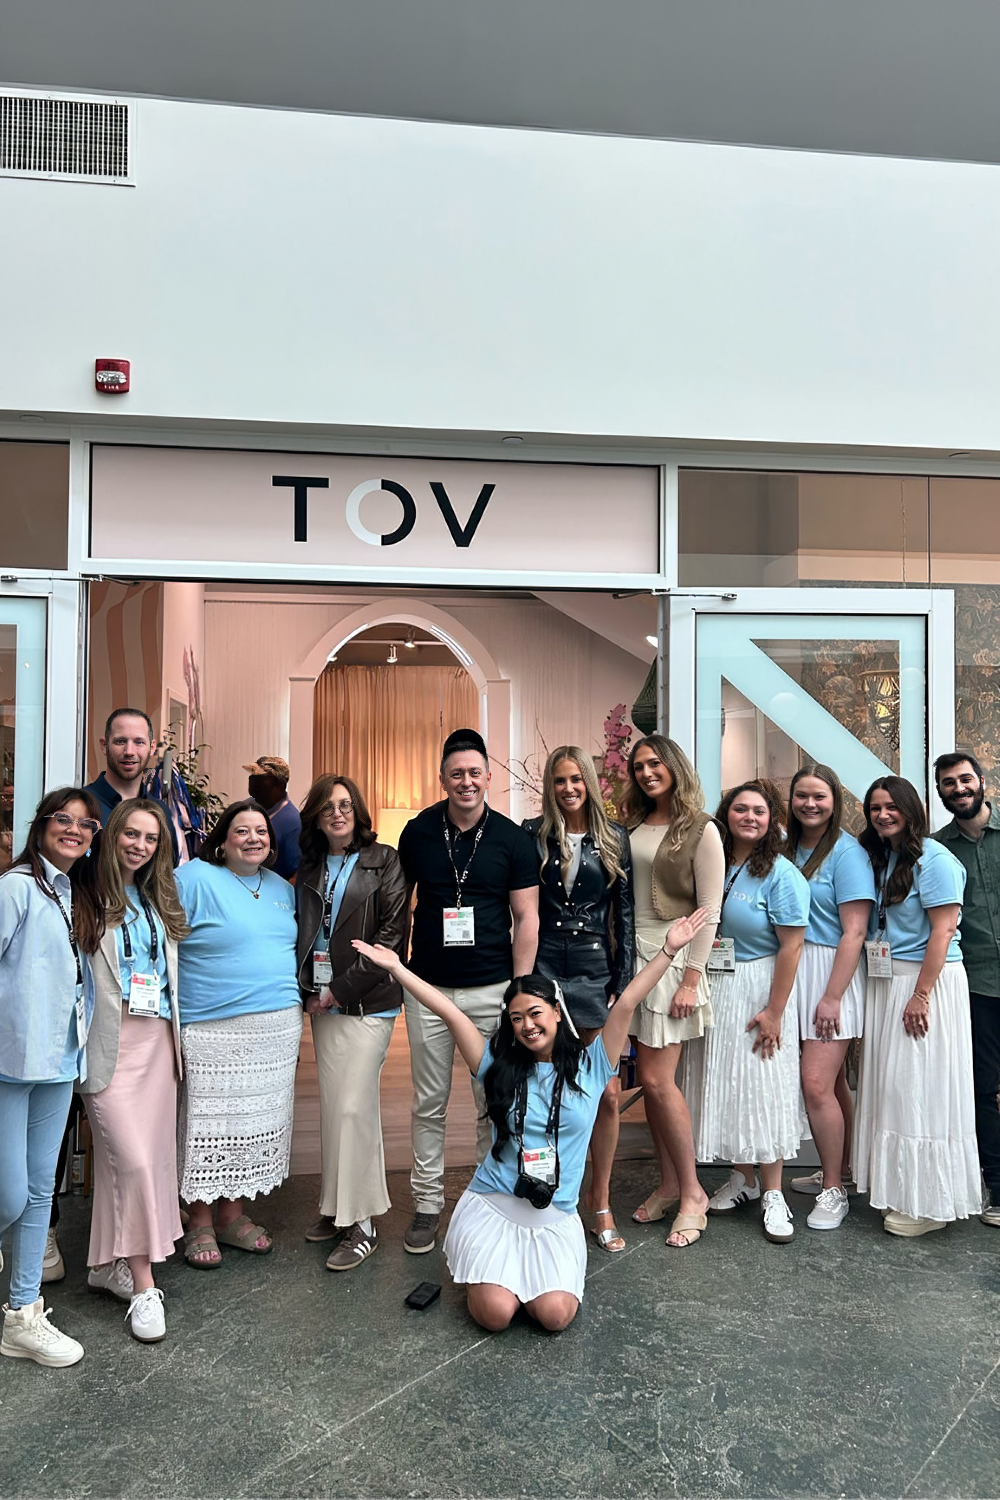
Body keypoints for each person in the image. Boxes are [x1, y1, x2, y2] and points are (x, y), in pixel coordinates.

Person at [354, 908, 708, 1331]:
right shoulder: (494, 1064)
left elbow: (628, 1000)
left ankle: (522, 1281)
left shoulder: (592, 1066)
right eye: (517, 1018)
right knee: (496, 1315)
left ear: (557, 1012)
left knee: (556, 1316)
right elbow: (450, 1012)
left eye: (535, 1013)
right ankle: (494, 1276)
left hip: (554, 1213)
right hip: (494, 1206)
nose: (527, 1025)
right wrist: (398, 969)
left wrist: (669, 950)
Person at [397, 728, 539, 1254]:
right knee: (428, 1103)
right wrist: (400, 971)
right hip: (429, 989)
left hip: (492, 989)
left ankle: (489, 1196)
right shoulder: (418, 832)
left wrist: (519, 992)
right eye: (456, 773)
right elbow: (399, 904)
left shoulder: (512, 839)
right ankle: (427, 1204)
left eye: (474, 772)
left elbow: (527, 917)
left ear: (488, 777)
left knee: (492, 1100)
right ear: (443, 779)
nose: (466, 781)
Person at [173, 799, 303, 1266]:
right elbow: (162, 939)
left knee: (251, 1129)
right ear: (222, 841)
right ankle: (200, 1221)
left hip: (276, 1027)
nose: (254, 839)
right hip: (211, 1025)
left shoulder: (281, 889)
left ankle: (231, 1216)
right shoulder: (193, 878)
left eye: (261, 831)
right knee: (206, 1127)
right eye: (242, 831)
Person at [0, 787, 103, 1368]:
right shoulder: (16, 889)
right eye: (62, 819)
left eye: (85, 824)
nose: (73, 829)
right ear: (40, 826)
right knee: (10, 1193)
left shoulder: (72, 894)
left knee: (42, 1189)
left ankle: (22, 1313)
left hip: (60, 1060)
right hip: (10, 1062)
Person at [79, 799, 188, 1341]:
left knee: (144, 1162)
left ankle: (106, 1265)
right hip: (107, 1041)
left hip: (156, 1040)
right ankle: (145, 1286)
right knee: (133, 1161)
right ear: (113, 835)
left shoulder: (158, 897)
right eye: (131, 835)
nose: (140, 846)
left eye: (151, 838)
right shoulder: (84, 895)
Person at [854, 776, 981, 1236]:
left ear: (911, 810)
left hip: (926, 984)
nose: (883, 814)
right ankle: (901, 1188)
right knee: (895, 1090)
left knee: (921, 1089)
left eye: (892, 806)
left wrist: (922, 994)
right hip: (891, 982)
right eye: (875, 808)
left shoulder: (937, 860)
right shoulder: (886, 857)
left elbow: (943, 932)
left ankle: (930, 1203)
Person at [522, 746, 635, 1254]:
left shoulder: (614, 838)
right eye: (559, 780)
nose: (568, 788)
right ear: (550, 786)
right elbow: (522, 908)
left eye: (576, 779)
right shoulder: (533, 834)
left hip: (594, 972)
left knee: (606, 1093)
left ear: (589, 782)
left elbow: (624, 915)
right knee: (543, 1087)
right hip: (545, 966)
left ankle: (600, 1199)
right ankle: (546, 1189)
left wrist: (623, 981)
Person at [295, 774, 407, 1271]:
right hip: (323, 1004)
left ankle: (362, 1223)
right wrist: (313, 990)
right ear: (316, 818)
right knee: (334, 1107)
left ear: (357, 811)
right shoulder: (311, 866)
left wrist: (340, 990)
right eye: (327, 807)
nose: (337, 814)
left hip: (367, 1003)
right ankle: (336, 1207)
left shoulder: (385, 860)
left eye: (345, 805)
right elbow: (303, 932)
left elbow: (392, 936)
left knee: (354, 1108)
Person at [697, 780, 810, 1243]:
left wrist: (775, 1012)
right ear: (726, 814)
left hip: (762, 986)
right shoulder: (714, 861)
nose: (749, 817)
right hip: (720, 984)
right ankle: (742, 1178)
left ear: (772, 820)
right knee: (731, 1084)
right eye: (740, 809)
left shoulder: (782, 873)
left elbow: (793, 946)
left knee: (765, 1086)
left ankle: (773, 1191)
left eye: (759, 811)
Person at [622, 735, 723, 1248]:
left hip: (673, 956)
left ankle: (693, 1193)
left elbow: (710, 910)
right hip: (631, 956)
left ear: (675, 766)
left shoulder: (701, 828)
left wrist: (691, 978)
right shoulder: (630, 825)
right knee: (650, 1082)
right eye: (639, 765)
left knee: (658, 1081)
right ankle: (667, 1185)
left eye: (655, 763)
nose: (646, 772)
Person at [784, 764, 875, 1230]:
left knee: (816, 1084)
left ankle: (834, 1189)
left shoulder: (847, 853)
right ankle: (844, 1169)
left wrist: (833, 996)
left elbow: (854, 931)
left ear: (834, 801)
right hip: (792, 971)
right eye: (802, 795)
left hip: (829, 974)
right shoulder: (784, 846)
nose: (810, 804)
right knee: (834, 1083)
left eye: (819, 796)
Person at [932, 752, 1000, 1228]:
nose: (958, 788)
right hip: (977, 984)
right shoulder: (938, 850)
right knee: (983, 1088)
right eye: (948, 783)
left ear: (981, 781)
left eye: (964, 779)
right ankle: (996, 1183)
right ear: (940, 792)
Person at [85, 707, 157, 826]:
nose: (129, 751)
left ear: (152, 748)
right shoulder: (80, 807)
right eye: (120, 741)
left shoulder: (161, 813)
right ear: (104, 746)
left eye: (139, 742)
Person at [244, 755, 301, 880]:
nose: (254, 782)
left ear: (278, 783)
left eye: (261, 778)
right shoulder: (246, 807)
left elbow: (296, 874)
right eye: (252, 776)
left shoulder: (292, 822)